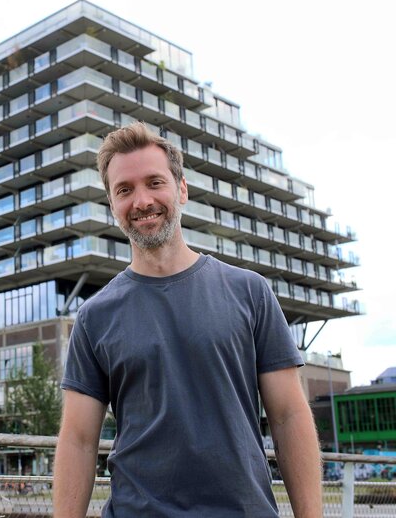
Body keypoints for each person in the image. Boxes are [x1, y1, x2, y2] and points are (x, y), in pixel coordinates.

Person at [52, 122, 322, 517]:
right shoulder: (94, 317)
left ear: (181, 189)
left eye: (154, 183)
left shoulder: (250, 292)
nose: (142, 201)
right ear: (111, 204)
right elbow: (78, 440)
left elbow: (288, 416)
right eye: (124, 190)